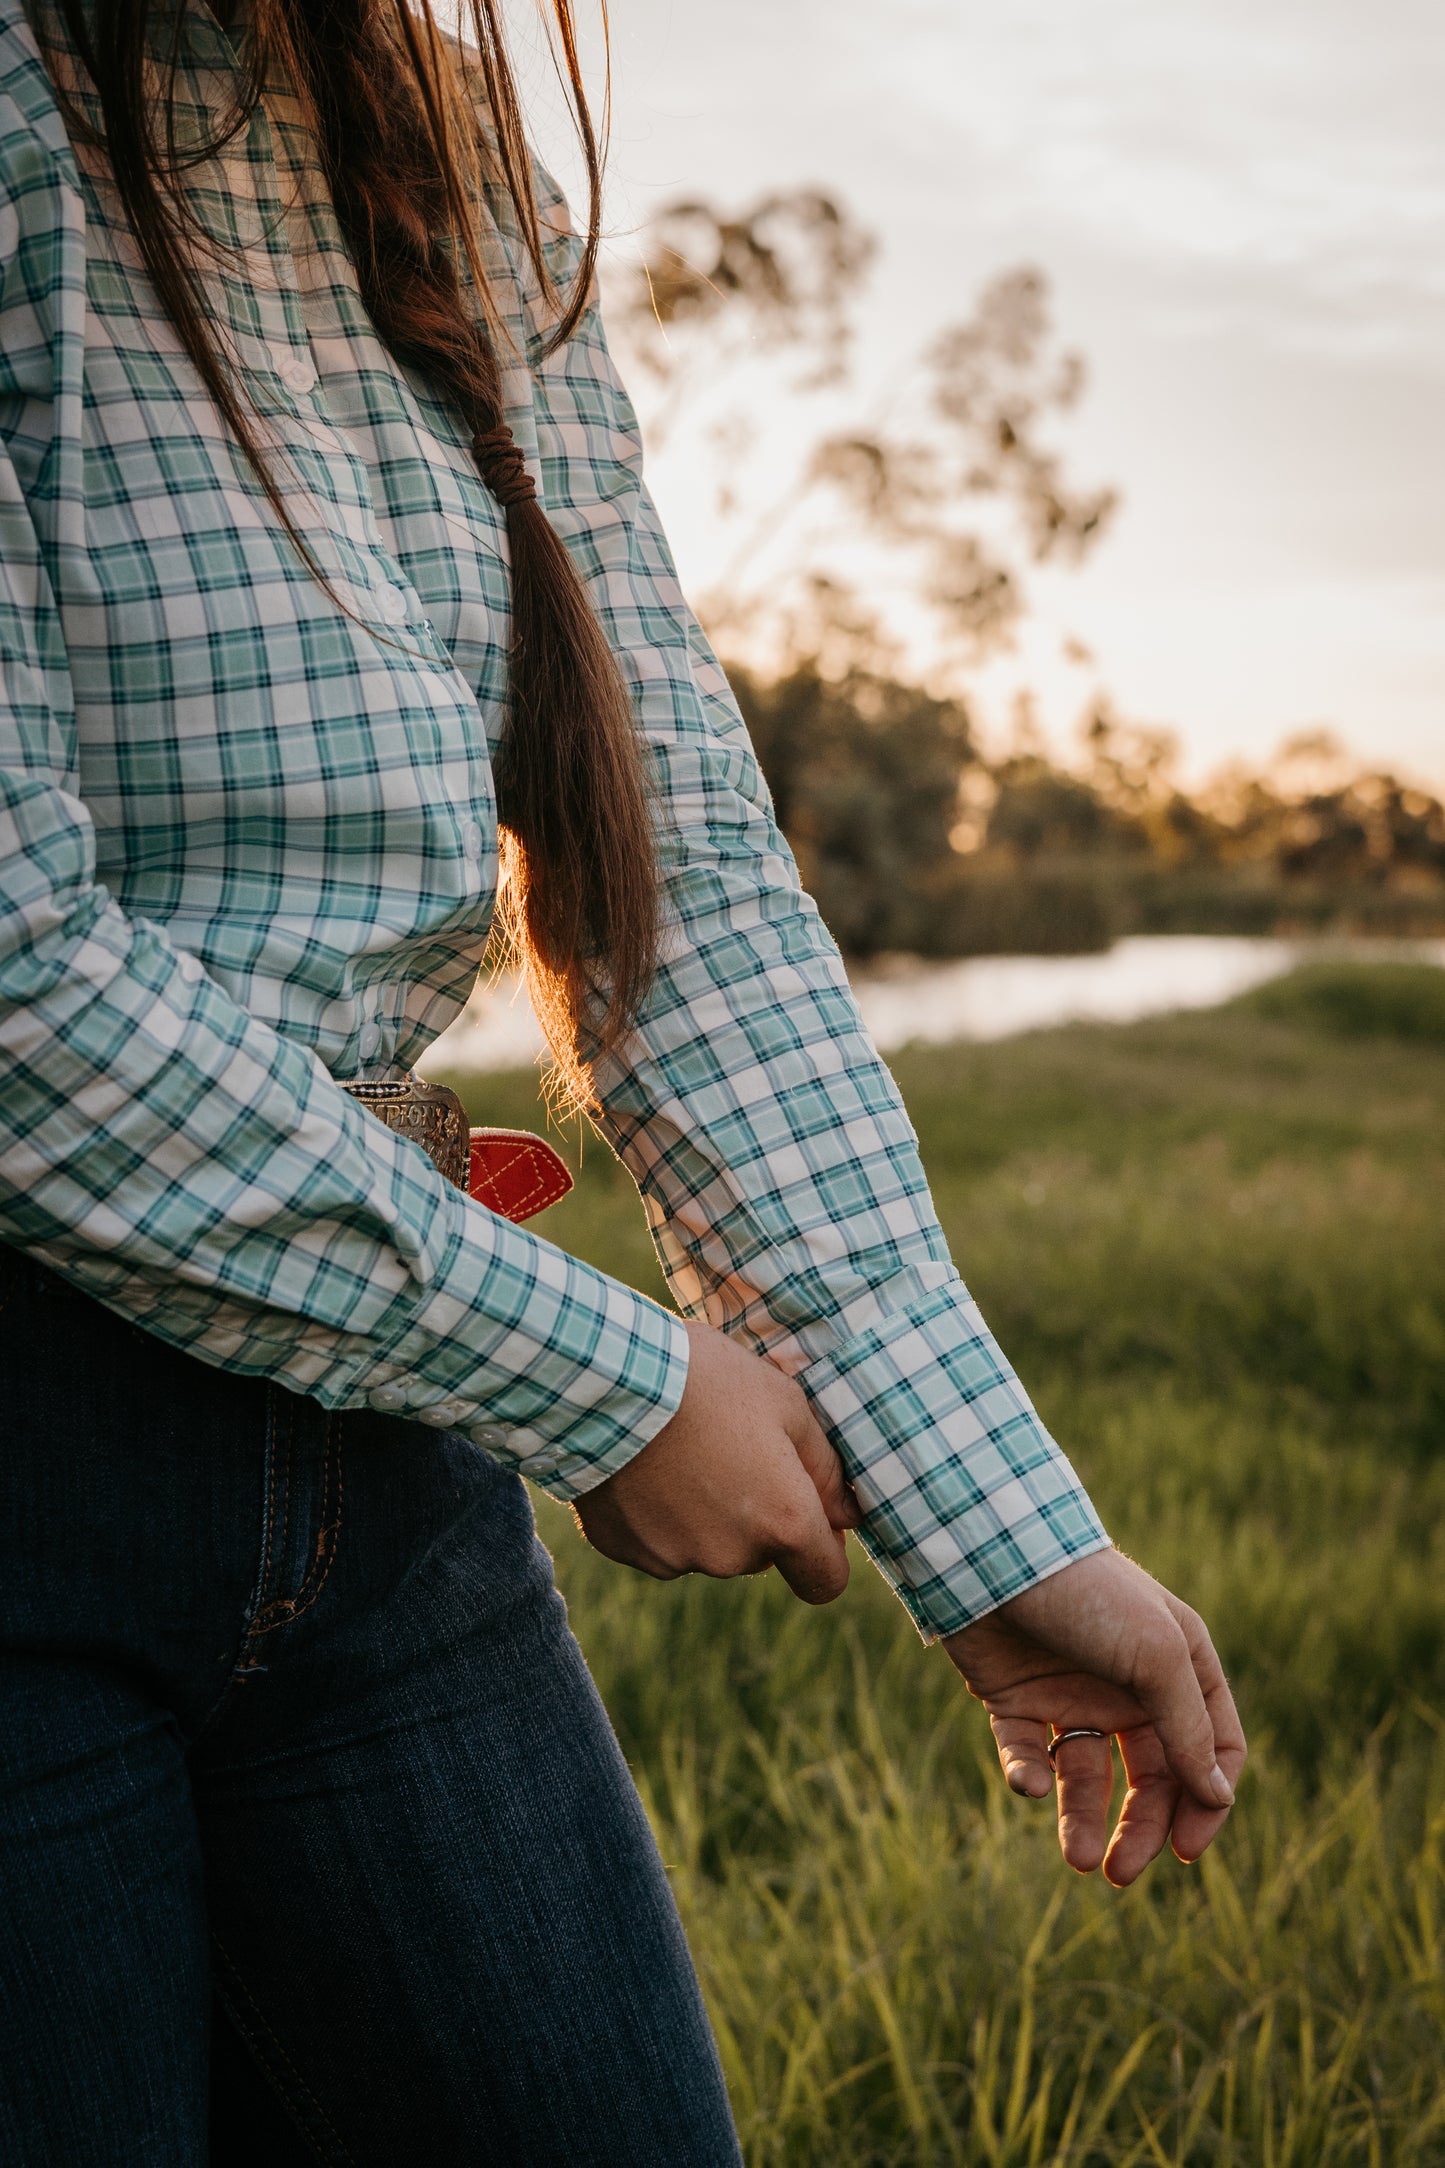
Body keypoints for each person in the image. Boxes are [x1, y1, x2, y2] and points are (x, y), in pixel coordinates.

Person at [0, 0, 1247, 2157]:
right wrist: (615, 1380)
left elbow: (672, 850)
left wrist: (999, 1525)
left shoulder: (441, 127)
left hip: (384, 1468)